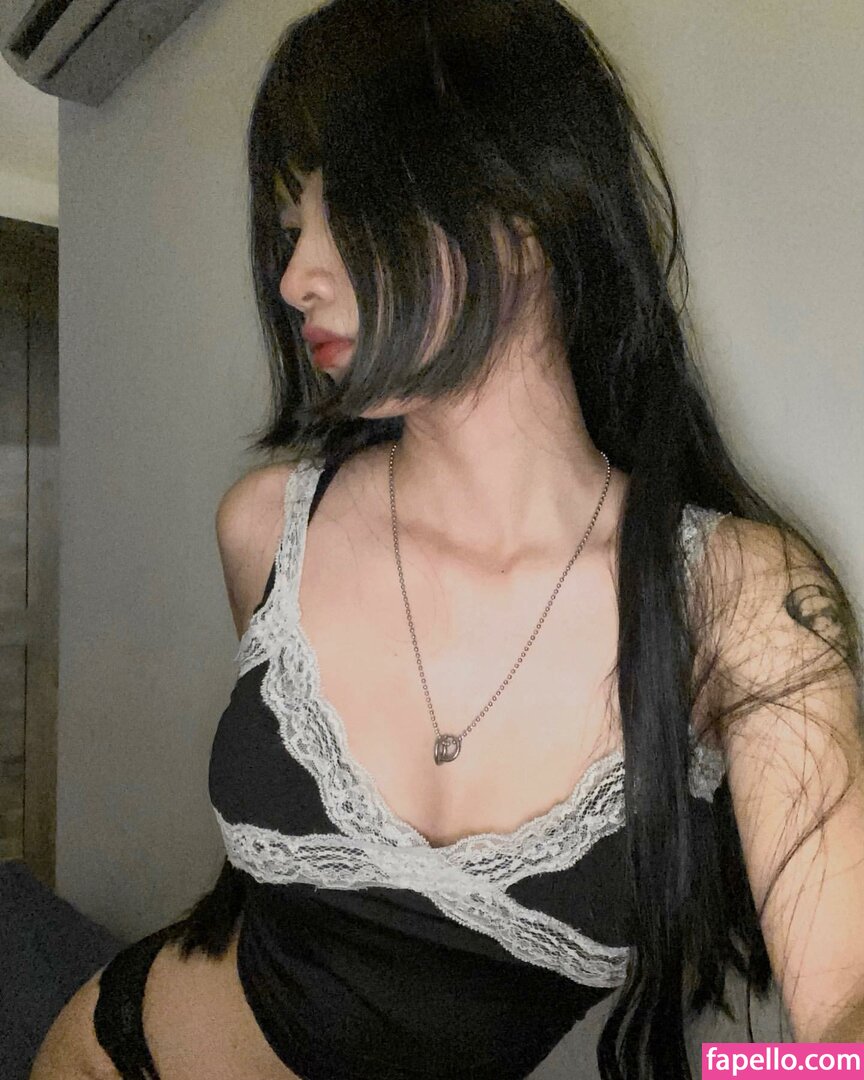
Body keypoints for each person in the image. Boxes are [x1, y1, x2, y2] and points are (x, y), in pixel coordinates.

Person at [29, 1, 864, 1078]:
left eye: (344, 208)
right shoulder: (268, 527)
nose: (293, 278)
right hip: (112, 1053)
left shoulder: (745, 602)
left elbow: (843, 1013)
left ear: (527, 208)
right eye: (288, 228)